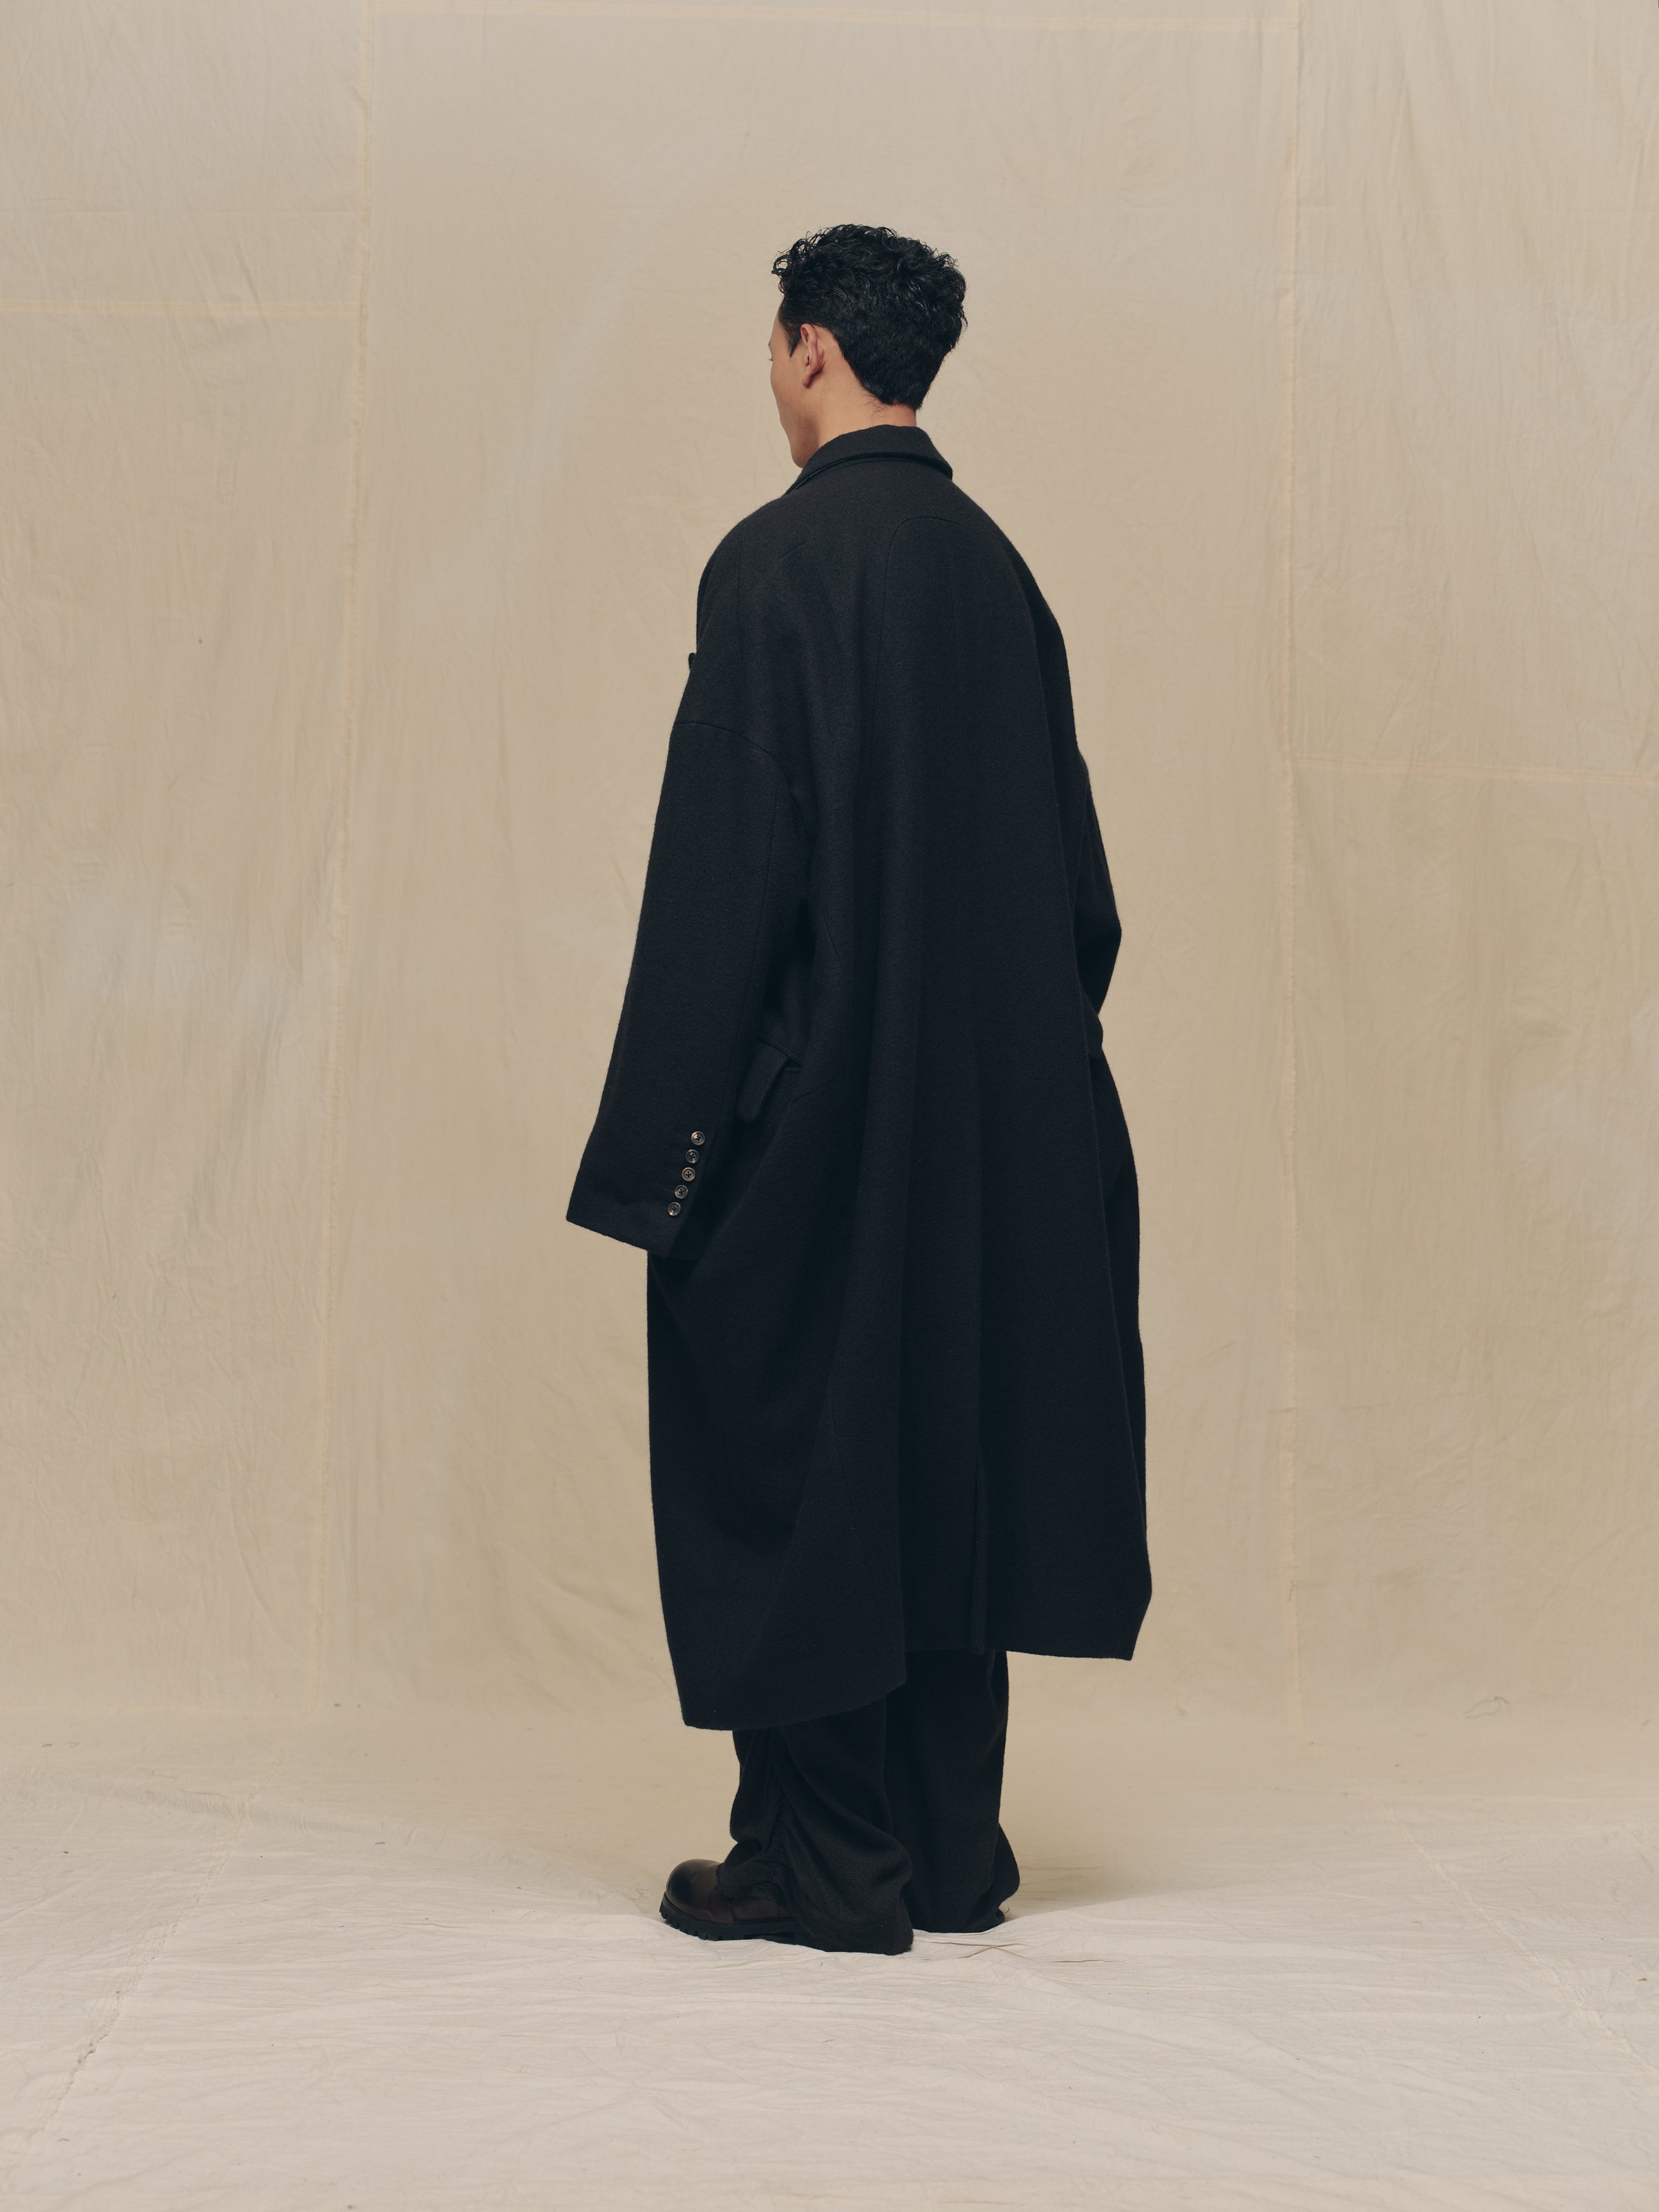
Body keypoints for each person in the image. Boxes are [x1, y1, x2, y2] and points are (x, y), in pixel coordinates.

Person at [566, 224, 1150, 1955]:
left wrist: (674, 1152)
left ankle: (820, 1860)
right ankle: (947, 1852)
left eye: (773, 345)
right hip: (992, 1131)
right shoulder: (1002, 577)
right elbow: (1080, 902)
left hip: (818, 1121)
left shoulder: (772, 568)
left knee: (802, 1452)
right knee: (946, 1458)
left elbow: (723, 888)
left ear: (811, 349)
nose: (771, 373)